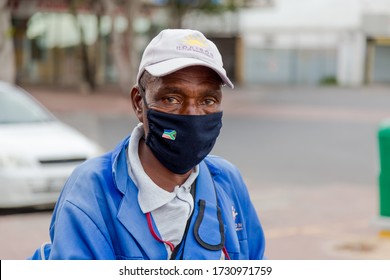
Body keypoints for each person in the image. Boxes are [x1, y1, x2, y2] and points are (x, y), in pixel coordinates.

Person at [29, 29, 266, 260]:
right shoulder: (92, 190)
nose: (192, 115)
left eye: (208, 100)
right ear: (138, 103)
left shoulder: (226, 181)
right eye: (171, 99)